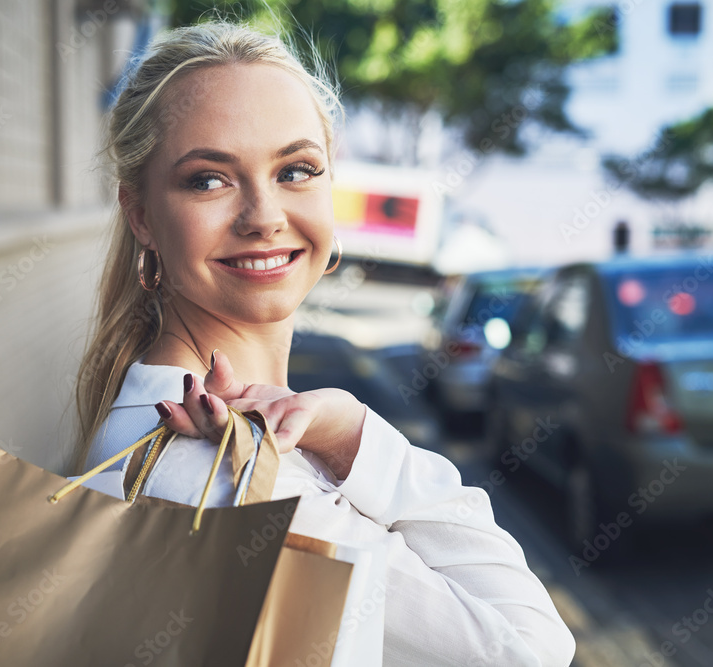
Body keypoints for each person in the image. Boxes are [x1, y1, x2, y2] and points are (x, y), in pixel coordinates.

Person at [73, 19, 576, 666]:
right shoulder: (222, 476)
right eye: (208, 179)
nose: (264, 215)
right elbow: (533, 648)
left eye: (296, 169)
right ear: (140, 214)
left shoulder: (153, 416)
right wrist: (359, 439)